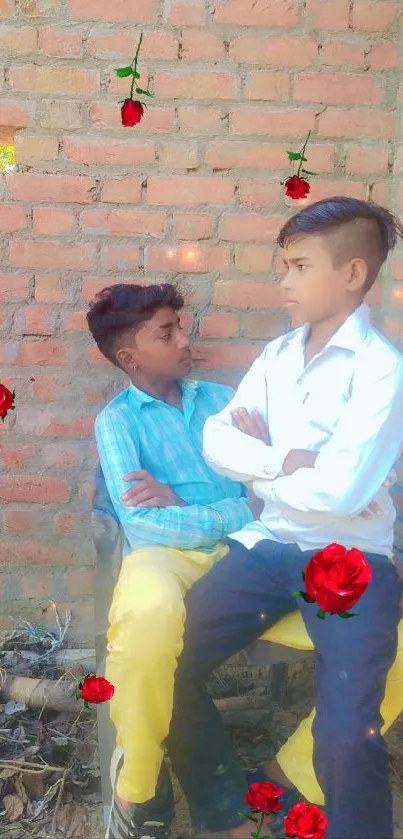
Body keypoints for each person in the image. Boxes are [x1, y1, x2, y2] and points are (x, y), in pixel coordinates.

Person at [87, 272, 400, 839]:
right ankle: (141, 783)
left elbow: (274, 486)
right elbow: (143, 521)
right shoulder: (117, 422)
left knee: (398, 647)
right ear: (131, 357)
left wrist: (223, 493)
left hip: (258, 552)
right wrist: (237, 499)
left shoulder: (223, 399)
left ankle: (288, 774)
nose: (185, 340)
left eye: (180, 327)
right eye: (166, 333)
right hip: (165, 557)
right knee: (147, 630)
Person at [158, 197, 403, 839]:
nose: (283, 281)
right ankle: (225, 809)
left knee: (347, 735)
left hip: (347, 562)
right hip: (268, 544)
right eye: (283, 266)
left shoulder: (382, 372)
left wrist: (261, 463)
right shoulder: (277, 356)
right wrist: (293, 459)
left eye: (298, 266)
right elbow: (217, 442)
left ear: (352, 274)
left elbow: (344, 493)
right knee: (164, 664)